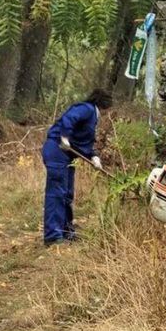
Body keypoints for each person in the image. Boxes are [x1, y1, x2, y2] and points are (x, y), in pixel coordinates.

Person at [40, 88, 113, 246]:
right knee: (57, 193)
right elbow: (69, 119)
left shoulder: (92, 118)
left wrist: (93, 157)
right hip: (57, 150)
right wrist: (64, 136)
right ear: (104, 105)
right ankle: (52, 236)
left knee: (67, 194)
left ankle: (66, 231)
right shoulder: (86, 109)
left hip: (68, 156)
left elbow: (83, 143)